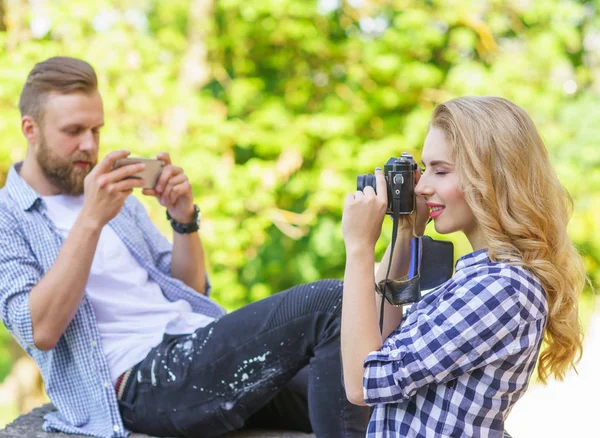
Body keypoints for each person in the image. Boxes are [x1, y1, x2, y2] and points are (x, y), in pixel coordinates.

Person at [0, 57, 369, 438]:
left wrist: (183, 219)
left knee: (365, 396)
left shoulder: (117, 198)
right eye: (73, 131)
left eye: (97, 129)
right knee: (332, 301)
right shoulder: (8, 217)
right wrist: (91, 220)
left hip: (198, 350)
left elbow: (188, 291)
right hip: (143, 381)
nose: (89, 145)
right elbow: (39, 329)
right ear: (31, 129)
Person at [340, 96, 586, 437]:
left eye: (441, 171)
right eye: (424, 171)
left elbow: (361, 383)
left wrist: (359, 248)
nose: (423, 187)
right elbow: (377, 342)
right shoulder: (476, 279)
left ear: (492, 176)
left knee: (318, 305)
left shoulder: (503, 289)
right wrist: (407, 230)